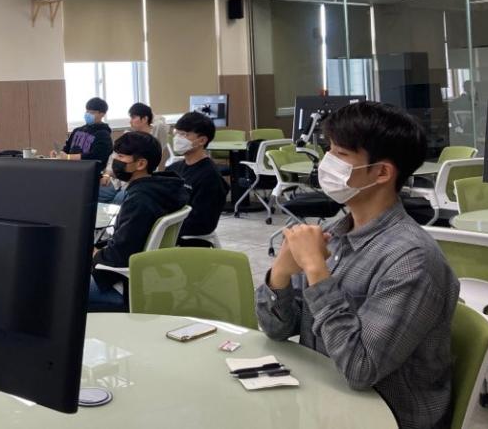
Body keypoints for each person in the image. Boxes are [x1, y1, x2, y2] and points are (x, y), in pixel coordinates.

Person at [255, 102, 459, 429]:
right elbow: (277, 329)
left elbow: (360, 369)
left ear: (382, 172)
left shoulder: (411, 260)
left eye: (341, 154)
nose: (327, 163)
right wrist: (280, 272)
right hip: (324, 398)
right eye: (328, 150)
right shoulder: (334, 234)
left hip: (388, 416)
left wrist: (317, 272)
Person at [89, 132, 188, 312]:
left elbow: (120, 256)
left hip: (122, 285)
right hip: (144, 278)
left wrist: (95, 253)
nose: (115, 161)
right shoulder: (160, 189)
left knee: (52, 287)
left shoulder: (140, 201)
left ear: (141, 164)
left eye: (121, 156)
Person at [167, 111, 227, 243]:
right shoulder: (173, 169)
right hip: (169, 228)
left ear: (202, 140)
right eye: (177, 133)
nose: (177, 138)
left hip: (187, 237)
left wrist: (164, 225)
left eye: (184, 134)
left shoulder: (210, 177)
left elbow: (203, 223)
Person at [97, 102, 170, 203]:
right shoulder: (128, 135)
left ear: (144, 119)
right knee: (96, 193)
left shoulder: (156, 132)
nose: (130, 121)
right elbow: (113, 157)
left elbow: (161, 121)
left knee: (119, 200)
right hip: (118, 179)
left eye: (133, 117)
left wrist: (147, 113)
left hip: (137, 180)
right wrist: (107, 174)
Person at [57, 97, 113, 171]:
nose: (88, 114)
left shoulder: (103, 134)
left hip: (89, 172)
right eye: (87, 111)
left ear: (102, 114)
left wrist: (68, 157)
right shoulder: (77, 130)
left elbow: (96, 156)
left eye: (92, 112)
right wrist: (59, 154)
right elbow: (67, 148)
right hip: (71, 169)